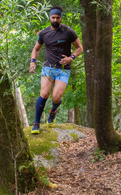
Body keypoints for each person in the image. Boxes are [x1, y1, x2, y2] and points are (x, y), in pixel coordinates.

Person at [29, 6, 83, 134]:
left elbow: (79, 48)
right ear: (50, 18)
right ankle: (36, 123)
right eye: (53, 17)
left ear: (61, 18)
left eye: (58, 18)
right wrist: (32, 62)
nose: (55, 20)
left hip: (63, 69)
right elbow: (36, 49)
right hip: (48, 67)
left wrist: (71, 58)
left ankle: (53, 111)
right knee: (44, 93)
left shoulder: (69, 32)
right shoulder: (43, 33)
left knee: (56, 97)